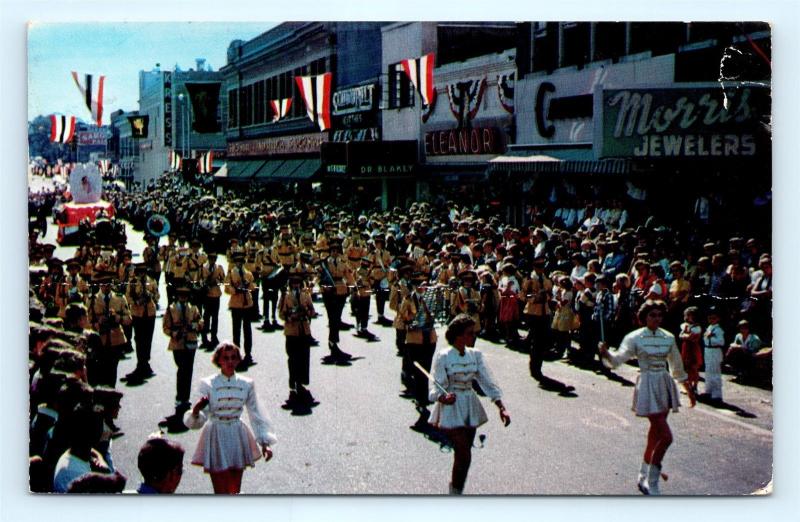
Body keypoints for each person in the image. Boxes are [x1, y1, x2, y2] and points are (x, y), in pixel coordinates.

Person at [598, 300, 696, 495]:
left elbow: (676, 366)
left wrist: (689, 391)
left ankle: (643, 473)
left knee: (656, 434)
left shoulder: (668, 337)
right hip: (647, 385)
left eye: (659, 315)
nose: (656, 319)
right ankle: (652, 480)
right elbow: (618, 360)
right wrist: (606, 353)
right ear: (643, 318)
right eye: (652, 315)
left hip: (664, 385)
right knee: (666, 437)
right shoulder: (634, 337)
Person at [429, 314, 510, 494]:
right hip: (452, 407)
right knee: (464, 452)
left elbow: (487, 381)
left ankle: (456, 490)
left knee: (464, 457)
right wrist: (442, 397)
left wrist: (501, 408)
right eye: (469, 333)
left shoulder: (476, 355)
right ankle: (455, 494)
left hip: (470, 404)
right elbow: (436, 386)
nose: (473, 336)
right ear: (459, 335)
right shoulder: (444, 356)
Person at [183, 342, 277, 494]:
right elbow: (197, 419)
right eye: (225, 358)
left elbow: (255, 413)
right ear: (218, 360)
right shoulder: (207, 383)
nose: (230, 362)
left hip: (236, 434)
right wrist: (196, 410)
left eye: (233, 357)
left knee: (234, 489)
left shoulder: (247, 384)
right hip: (216, 435)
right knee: (221, 489)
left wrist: (265, 443)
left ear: (238, 360)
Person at [161, 285, 203, 430]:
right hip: (177, 343)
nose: (183, 299)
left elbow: (201, 322)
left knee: (188, 369)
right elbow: (165, 327)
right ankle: (180, 396)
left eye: (185, 296)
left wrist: (195, 326)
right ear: (177, 297)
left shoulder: (193, 308)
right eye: (181, 296)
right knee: (181, 368)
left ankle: (185, 397)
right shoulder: (171, 309)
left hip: (191, 341)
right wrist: (173, 333)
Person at [225, 252, 256, 367]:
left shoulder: (248, 273)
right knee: (236, 330)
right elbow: (227, 287)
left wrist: (248, 286)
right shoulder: (231, 273)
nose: (239, 263)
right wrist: (235, 290)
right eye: (237, 261)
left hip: (247, 303)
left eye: (240, 261)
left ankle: (248, 353)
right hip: (236, 304)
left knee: (247, 330)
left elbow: (254, 286)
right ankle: (236, 354)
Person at [702, 308, 726, 405]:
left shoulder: (719, 330)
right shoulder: (709, 327)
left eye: (714, 318)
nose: (711, 320)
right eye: (710, 318)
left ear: (718, 319)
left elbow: (721, 342)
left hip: (715, 350)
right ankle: (709, 391)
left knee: (715, 372)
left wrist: (712, 337)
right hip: (708, 350)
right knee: (708, 372)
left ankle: (717, 395)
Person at [678, 306, 703, 394]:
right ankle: (688, 387)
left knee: (694, 368)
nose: (688, 317)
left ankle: (695, 387)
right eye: (687, 315)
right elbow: (681, 336)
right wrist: (685, 336)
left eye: (690, 315)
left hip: (693, 349)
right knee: (687, 368)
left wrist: (685, 335)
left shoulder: (697, 327)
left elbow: (691, 337)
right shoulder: (686, 326)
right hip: (686, 347)